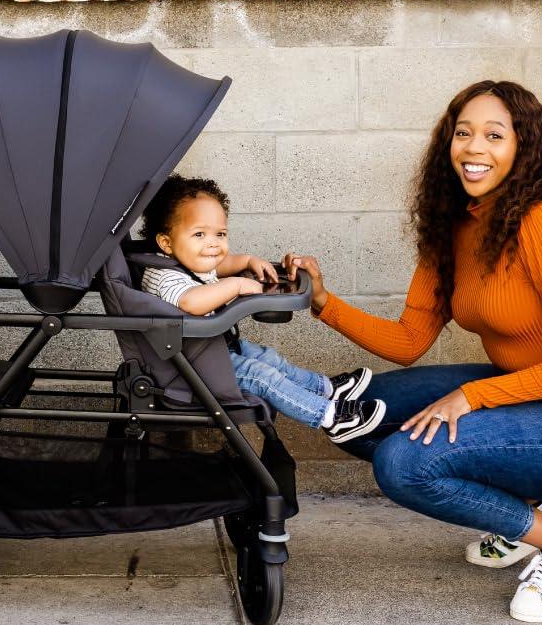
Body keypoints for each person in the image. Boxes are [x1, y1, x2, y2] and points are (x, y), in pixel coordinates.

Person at [285, 80, 542, 624]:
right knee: (352, 414)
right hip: (528, 397)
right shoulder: (454, 227)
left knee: (404, 462)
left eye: (494, 135)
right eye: (463, 133)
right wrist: (322, 301)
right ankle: (534, 516)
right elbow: (409, 341)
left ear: (525, 147)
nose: (474, 148)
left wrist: (473, 396)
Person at [139, 174, 386, 443]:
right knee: (263, 377)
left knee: (270, 358)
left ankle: (326, 388)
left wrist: (247, 261)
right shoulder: (164, 276)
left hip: (211, 351)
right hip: (192, 371)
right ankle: (331, 417)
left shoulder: (182, 259)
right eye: (200, 234)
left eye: (220, 234)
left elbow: (217, 266)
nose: (213, 244)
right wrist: (235, 285)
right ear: (166, 243)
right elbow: (191, 301)